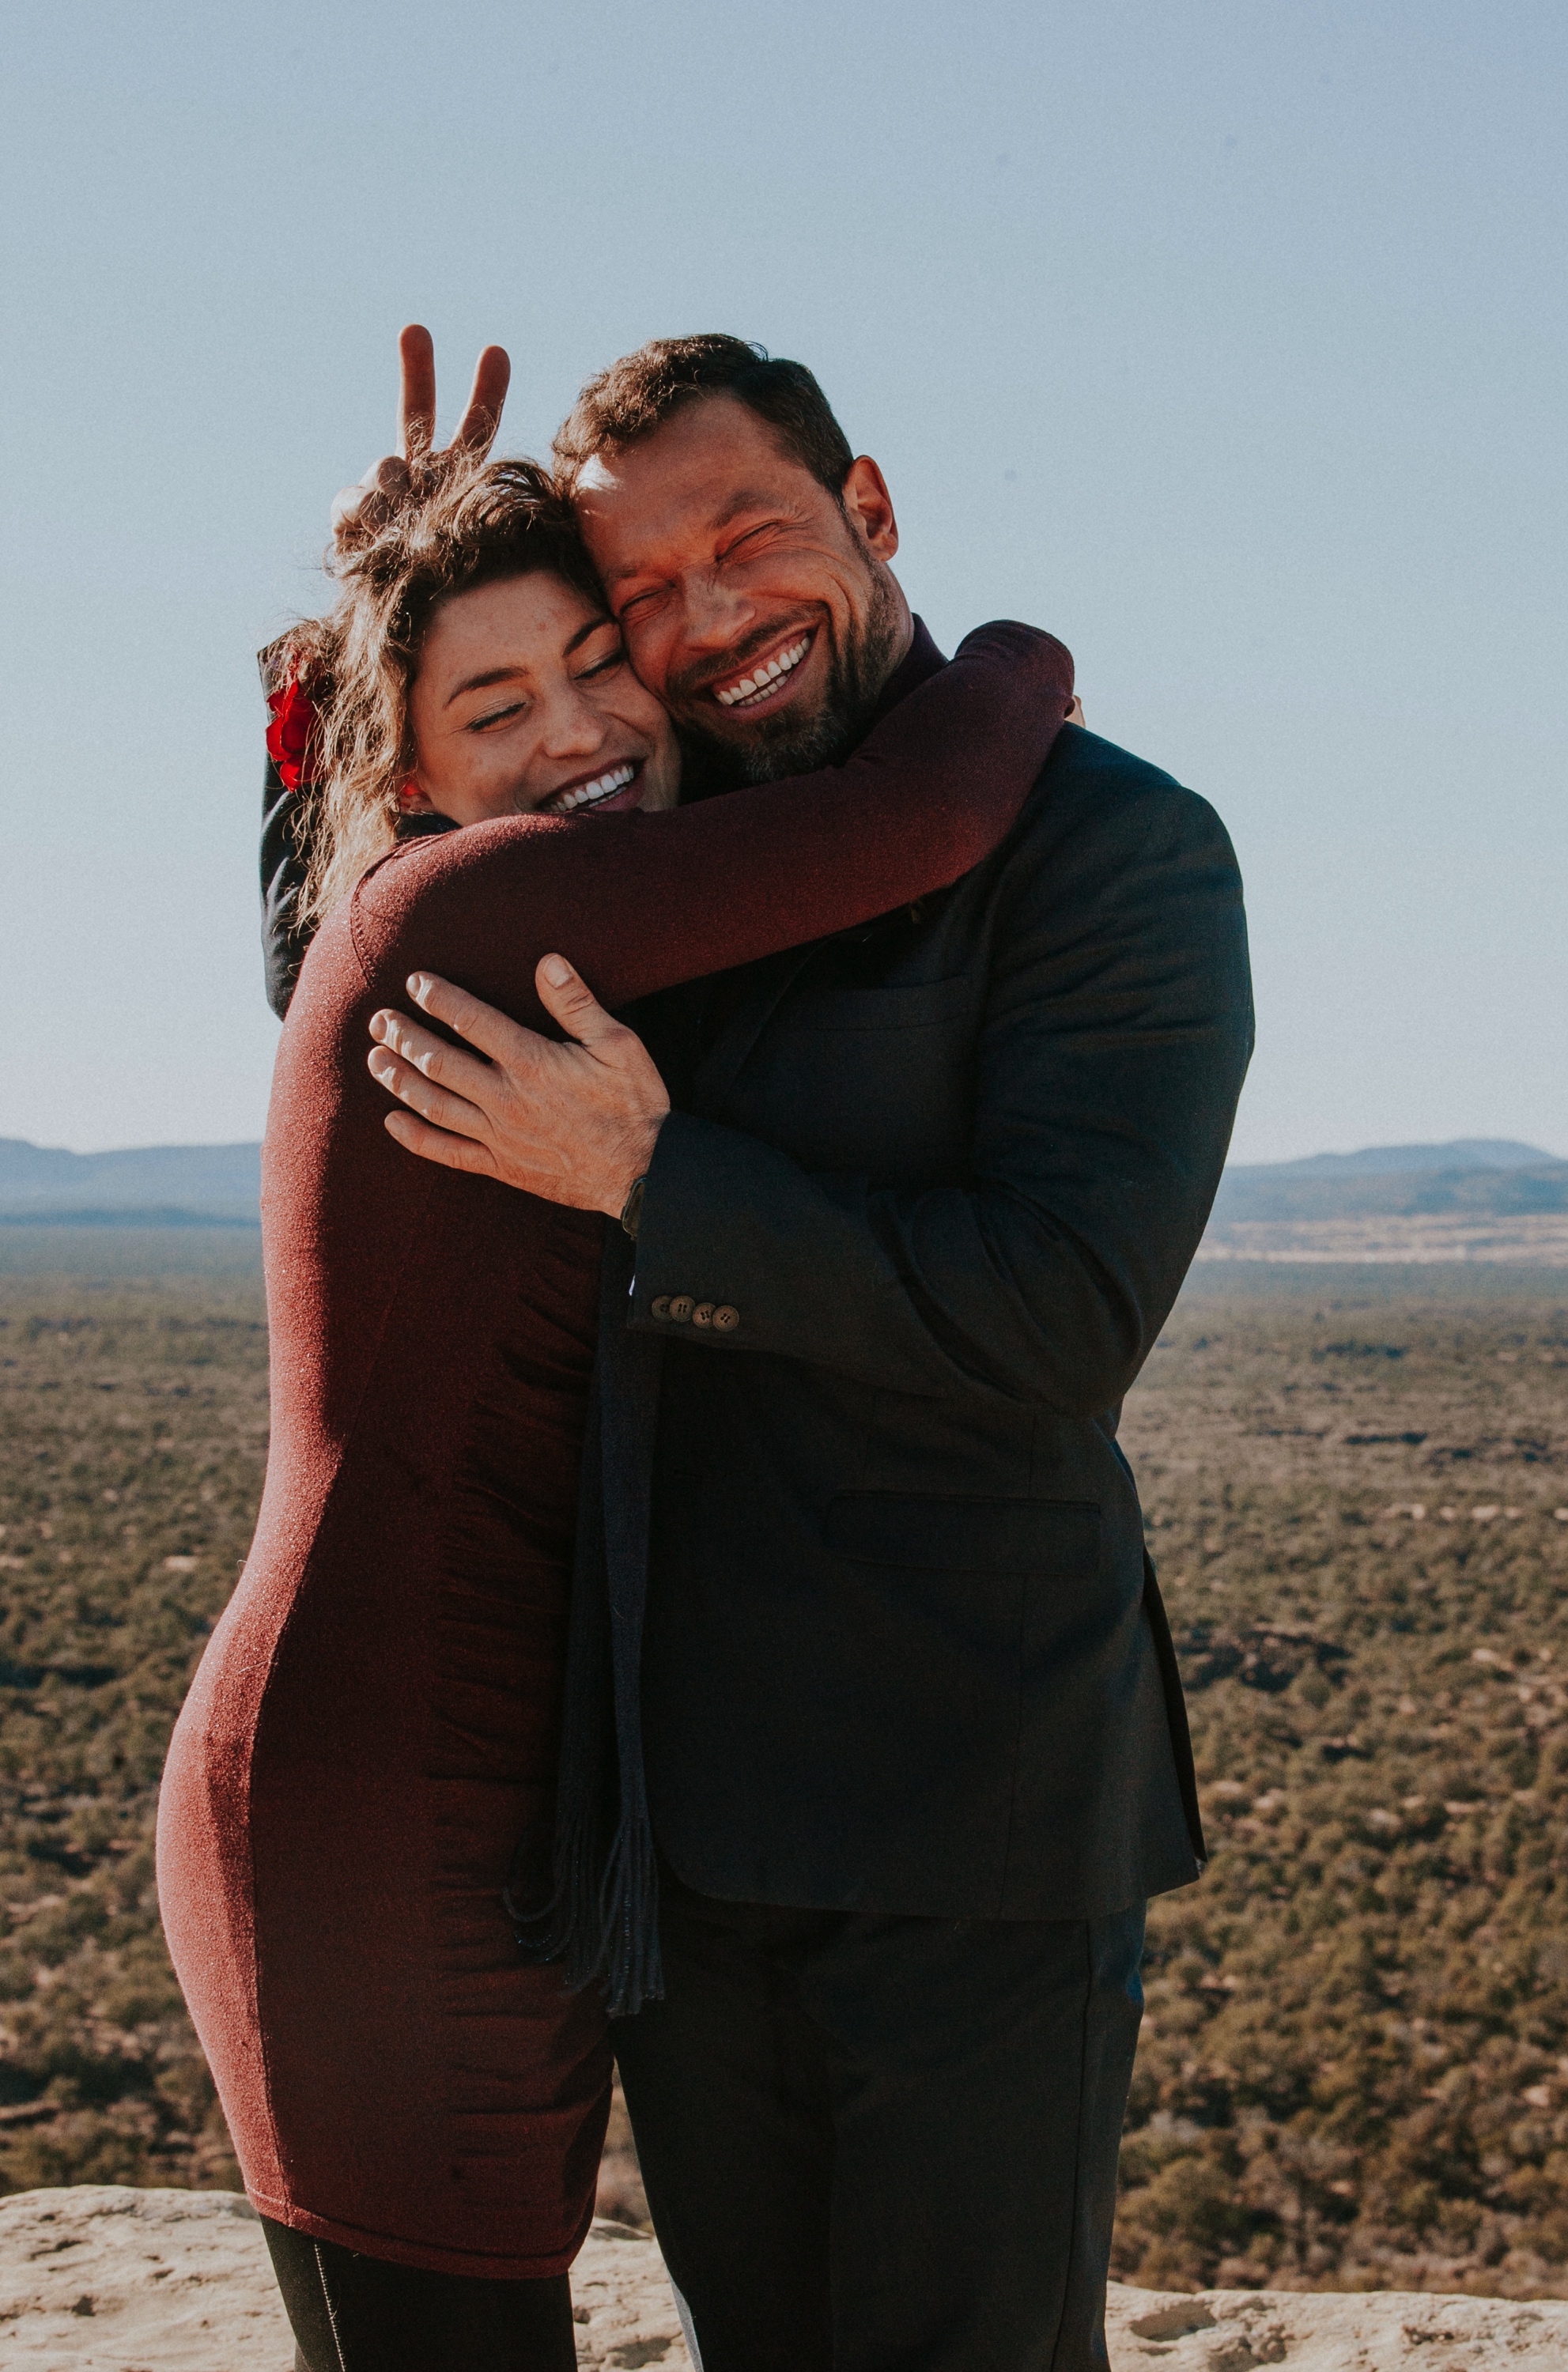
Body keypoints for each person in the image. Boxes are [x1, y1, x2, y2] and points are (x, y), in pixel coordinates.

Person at [361, 331, 1256, 2372]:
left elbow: (1062, 1310)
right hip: (685, 1843)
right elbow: (370, 962)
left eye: (744, 541)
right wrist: (354, 642)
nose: (702, 626)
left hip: (973, 1830)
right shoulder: (667, 852)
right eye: (639, 598)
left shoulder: (1118, 853)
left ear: (869, 513)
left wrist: (654, 1184)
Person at [160, 419, 1075, 2372]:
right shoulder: (463, 911)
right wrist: (1009, 648)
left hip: (466, 1812)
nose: (583, 725)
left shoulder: (481, 921)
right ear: (408, 776)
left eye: (600, 659)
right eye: (497, 702)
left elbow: (295, 921)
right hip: (371, 1817)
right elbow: (919, 820)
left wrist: (352, 616)